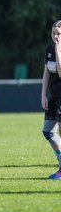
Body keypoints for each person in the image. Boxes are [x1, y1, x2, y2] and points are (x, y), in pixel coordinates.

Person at [41, 20, 61, 179]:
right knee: (47, 131)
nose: (55, 36)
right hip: (53, 97)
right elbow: (47, 72)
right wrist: (43, 95)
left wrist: (59, 49)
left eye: (59, 34)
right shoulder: (48, 50)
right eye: (54, 33)